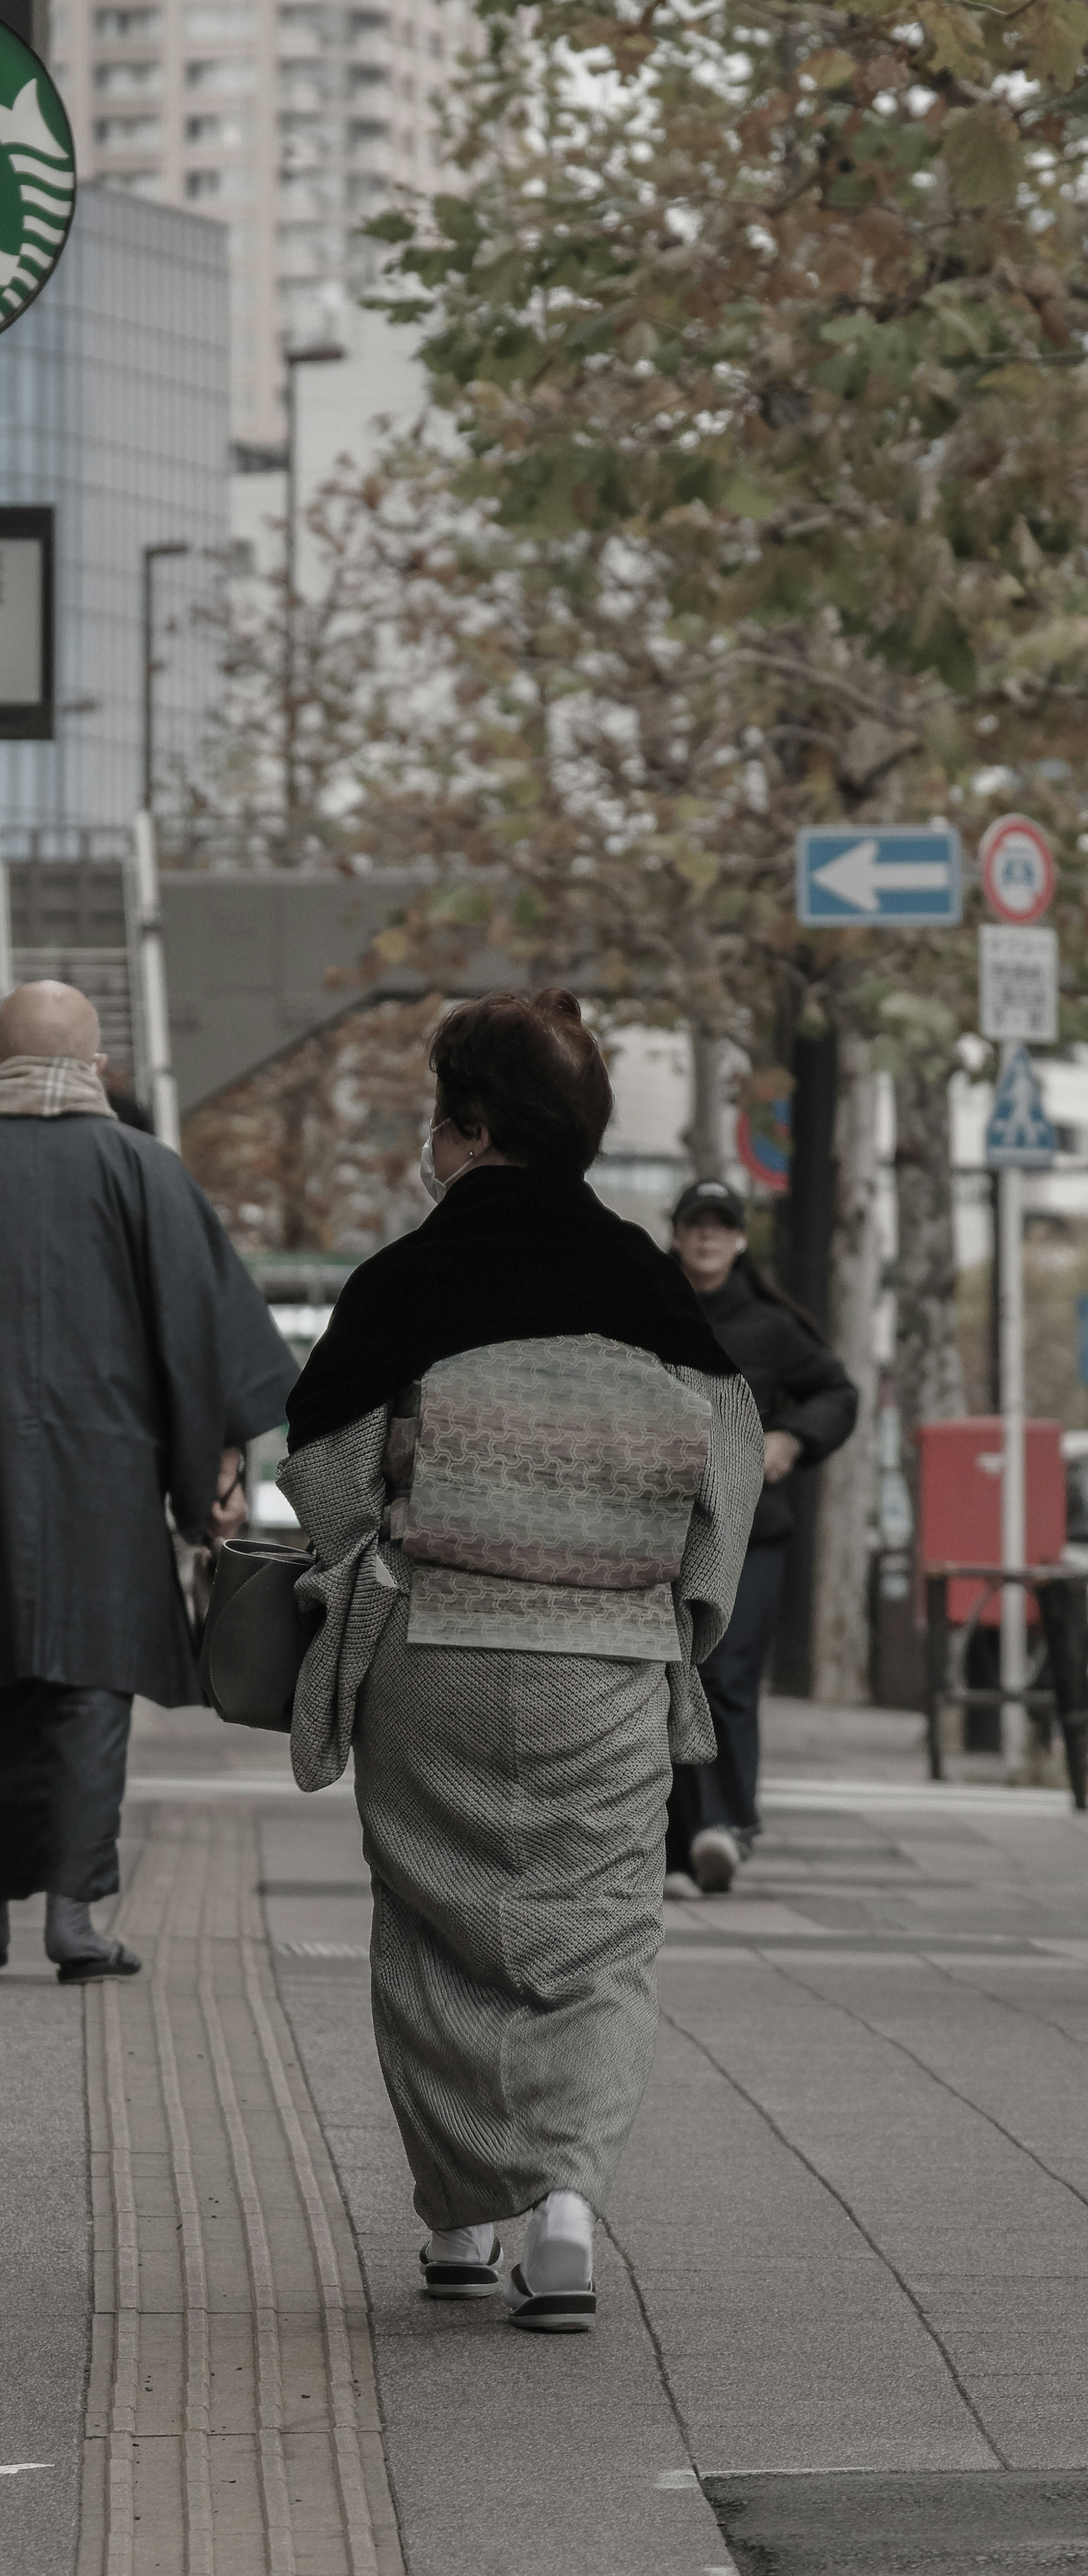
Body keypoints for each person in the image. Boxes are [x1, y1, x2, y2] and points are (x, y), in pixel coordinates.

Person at [279, 990, 762, 2331]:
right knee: (596, 1936)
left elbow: (322, 1464)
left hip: (437, 1640)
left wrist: (376, 1553)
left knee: (436, 1925)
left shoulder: (406, 1283)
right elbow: (725, 1464)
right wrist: (685, 1619)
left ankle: (458, 2219)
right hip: (604, 1657)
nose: (429, 1144)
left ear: (476, 1128)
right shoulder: (647, 1285)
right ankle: (562, 2211)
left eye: (439, 1118)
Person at [0, 979, 297, 1980]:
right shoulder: (148, 1173)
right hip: (109, 1486)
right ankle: (75, 1917)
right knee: (88, 1695)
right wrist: (216, 1463)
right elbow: (206, 1335)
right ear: (95, 1070)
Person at [666, 1177, 858, 1895]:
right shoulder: (649, 1309)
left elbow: (839, 1393)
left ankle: (727, 1824)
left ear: (741, 1240)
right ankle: (679, 1846)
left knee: (726, 1673)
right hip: (662, 1530)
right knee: (669, 1675)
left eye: (722, 1226)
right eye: (696, 1225)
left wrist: (792, 1440)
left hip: (752, 1533)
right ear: (678, 1235)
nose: (708, 1237)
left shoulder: (773, 1327)